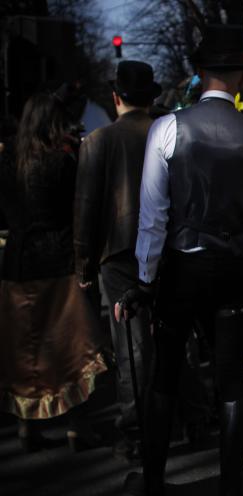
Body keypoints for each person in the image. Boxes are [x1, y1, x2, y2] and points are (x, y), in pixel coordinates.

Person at [116, 24, 243, 496]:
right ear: (241, 78)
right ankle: (231, 492)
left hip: (183, 266)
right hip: (235, 268)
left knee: (165, 376)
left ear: (198, 73)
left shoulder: (167, 128)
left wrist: (145, 279)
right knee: (232, 381)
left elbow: (153, 217)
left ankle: (153, 482)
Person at [0, 91, 108, 452]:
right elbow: (78, 210)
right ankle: (78, 425)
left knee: (25, 347)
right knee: (71, 346)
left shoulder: (8, 160)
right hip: (59, 259)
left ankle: (26, 424)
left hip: (18, 262)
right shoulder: (62, 161)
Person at [73, 60, 162, 462]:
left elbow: (86, 208)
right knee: (176, 334)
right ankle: (192, 413)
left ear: (116, 98)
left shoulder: (99, 140)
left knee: (131, 344)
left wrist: (84, 263)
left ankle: (136, 431)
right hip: (167, 247)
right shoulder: (169, 133)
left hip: (119, 251)